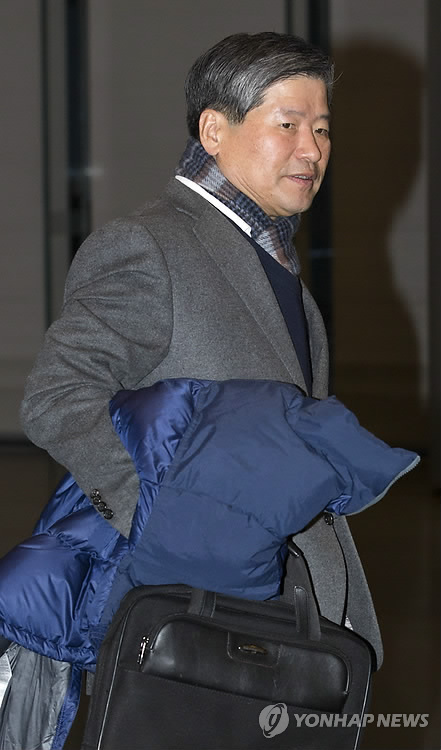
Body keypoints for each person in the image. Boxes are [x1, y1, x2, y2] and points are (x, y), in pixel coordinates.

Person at [20, 31, 383, 669]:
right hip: (192, 624)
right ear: (214, 130)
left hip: (283, 613)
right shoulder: (150, 246)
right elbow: (57, 398)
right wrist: (166, 525)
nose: (313, 149)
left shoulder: (272, 260)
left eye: (322, 129)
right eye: (288, 125)